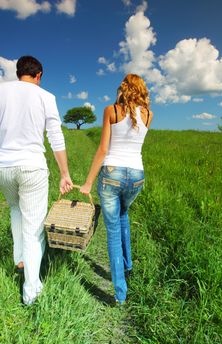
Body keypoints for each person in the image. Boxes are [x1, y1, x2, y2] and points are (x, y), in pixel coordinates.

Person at [0, 55, 73, 306]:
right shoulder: (46, 97)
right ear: (39, 75)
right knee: (35, 228)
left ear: (18, 73)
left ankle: (20, 259)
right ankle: (31, 292)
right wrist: (65, 174)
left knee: (15, 208)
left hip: (1, 168)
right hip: (32, 168)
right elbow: (56, 138)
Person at [80, 74, 153, 305]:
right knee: (124, 214)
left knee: (112, 232)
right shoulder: (149, 115)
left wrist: (88, 182)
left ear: (123, 88)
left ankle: (120, 293)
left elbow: (103, 149)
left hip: (112, 174)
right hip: (137, 177)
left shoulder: (112, 110)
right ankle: (128, 265)